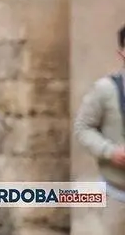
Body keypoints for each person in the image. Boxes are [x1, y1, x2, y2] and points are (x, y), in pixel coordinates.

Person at [74, 24, 125, 232]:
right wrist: (110, 152)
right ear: (121, 53)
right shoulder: (105, 89)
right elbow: (82, 128)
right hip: (117, 196)